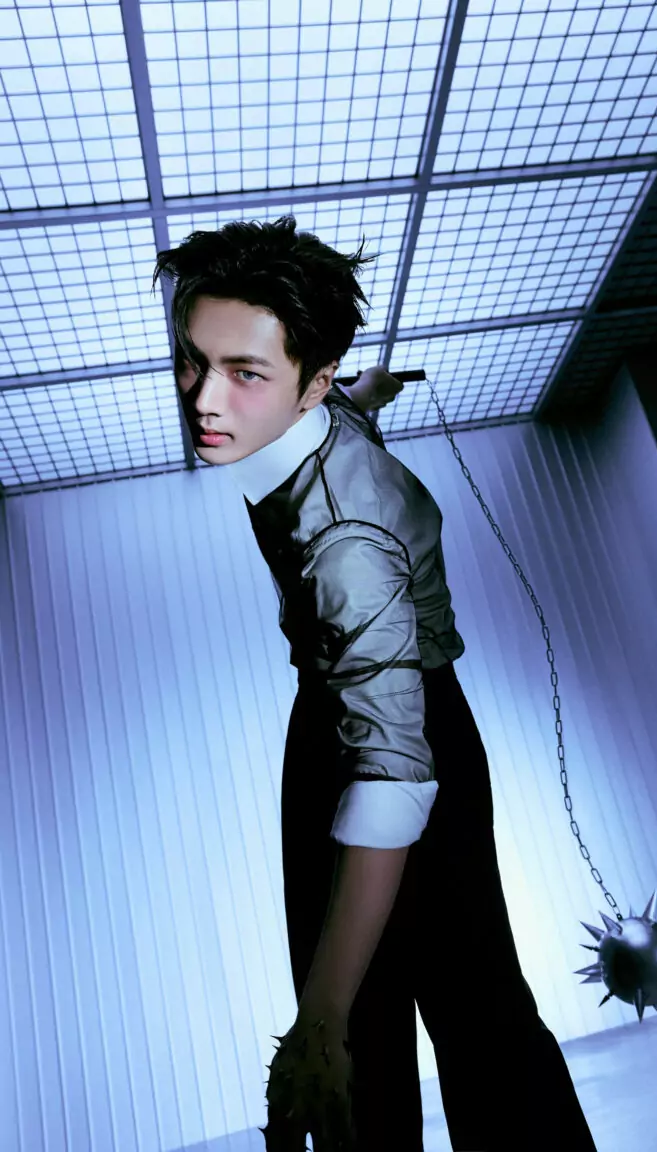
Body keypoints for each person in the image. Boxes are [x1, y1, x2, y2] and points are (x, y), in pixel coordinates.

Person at [153, 216, 598, 1152]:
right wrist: (370, 390)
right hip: (342, 710)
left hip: (403, 737)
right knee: (428, 1012)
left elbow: (394, 778)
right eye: (194, 360)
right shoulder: (314, 413)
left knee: (451, 1019)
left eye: (244, 373)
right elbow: (346, 410)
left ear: (307, 382)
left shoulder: (347, 542)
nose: (204, 399)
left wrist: (316, 1019)